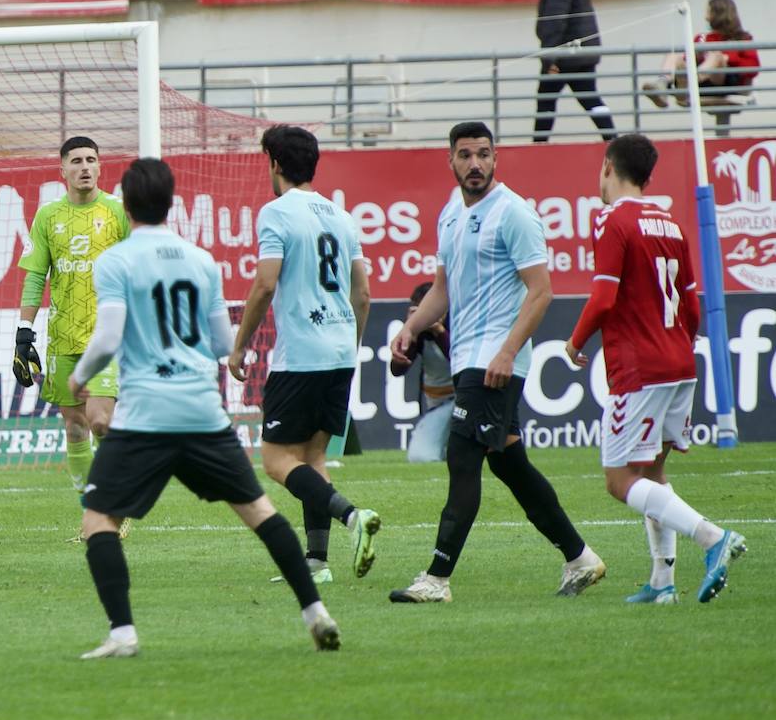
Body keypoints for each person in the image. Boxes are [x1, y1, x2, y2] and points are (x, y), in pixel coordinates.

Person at [71, 158, 341, 659]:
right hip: (202, 411)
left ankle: (123, 633)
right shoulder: (201, 261)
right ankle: (315, 612)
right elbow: (221, 341)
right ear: (171, 202)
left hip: (146, 415)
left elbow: (107, 335)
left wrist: (80, 375)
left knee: (98, 519)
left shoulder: (116, 261)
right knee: (259, 511)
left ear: (125, 205)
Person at [389, 121, 605, 603]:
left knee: (462, 459)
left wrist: (508, 351)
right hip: (472, 356)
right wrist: (410, 328)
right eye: (465, 155)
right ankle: (580, 557)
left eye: (483, 154)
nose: (475, 164)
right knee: (510, 465)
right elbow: (442, 291)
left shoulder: (514, 213)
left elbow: (542, 291)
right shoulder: (449, 213)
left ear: (495, 159)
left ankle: (437, 579)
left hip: (494, 361)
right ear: (450, 160)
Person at [564, 134, 747, 604]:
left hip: (640, 368)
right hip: (678, 362)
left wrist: (575, 340)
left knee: (620, 480)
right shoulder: (670, 223)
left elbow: (604, 298)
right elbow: (690, 305)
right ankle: (662, 583)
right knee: (652, 472)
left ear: (608, 167)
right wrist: (677, 348)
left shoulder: (611, 220)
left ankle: (711, 537)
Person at [228, 126, 380, 586]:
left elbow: (266, 282)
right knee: (312, 458)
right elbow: (364, 294)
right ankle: (317, 561)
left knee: (275, 461)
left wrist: (240, 345)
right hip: (338, 350)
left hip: (302, 355)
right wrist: (348, 349)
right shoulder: (341, 215)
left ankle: (353, 517)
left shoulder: (276, 213)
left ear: (275, 163)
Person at [12, 136, 129, 509]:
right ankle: (91, 507)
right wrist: (23, 334)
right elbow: (35, 276)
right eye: (76, 161)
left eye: (90, 160)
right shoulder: (48, 216)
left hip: (108, 336)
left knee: (100, 421)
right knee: (75, 425)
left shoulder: (118, 211)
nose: (84, 167)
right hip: (63, 337)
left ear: (100, 166)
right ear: (62, 169)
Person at [532, 0, 616, 144]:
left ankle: (538, 146)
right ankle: (612, 139)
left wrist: (549, 59)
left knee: (547, 99)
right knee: (588, 97)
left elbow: (555, 22)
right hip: (577, 55)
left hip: (568, 56)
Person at [643, 0, 760, 109]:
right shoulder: (702, 38)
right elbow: (684, 62)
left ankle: (689, 83)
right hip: (701, 82)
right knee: (674, 57)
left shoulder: (743, 39)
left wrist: (726, 58)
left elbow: (752, 68)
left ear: (719, 15)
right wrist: (697, 56)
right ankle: (661, 86)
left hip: (725, 84)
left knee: (716, 56)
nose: (706, 17)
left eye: (708, 12)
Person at [390, 281, 454, 464]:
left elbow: (458, 359)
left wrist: (439, 330)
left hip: (466, 399)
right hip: (437, 404)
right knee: (420, 457)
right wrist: (412, 334)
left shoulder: (456, 322)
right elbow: (397, 370)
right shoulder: (417, 331)